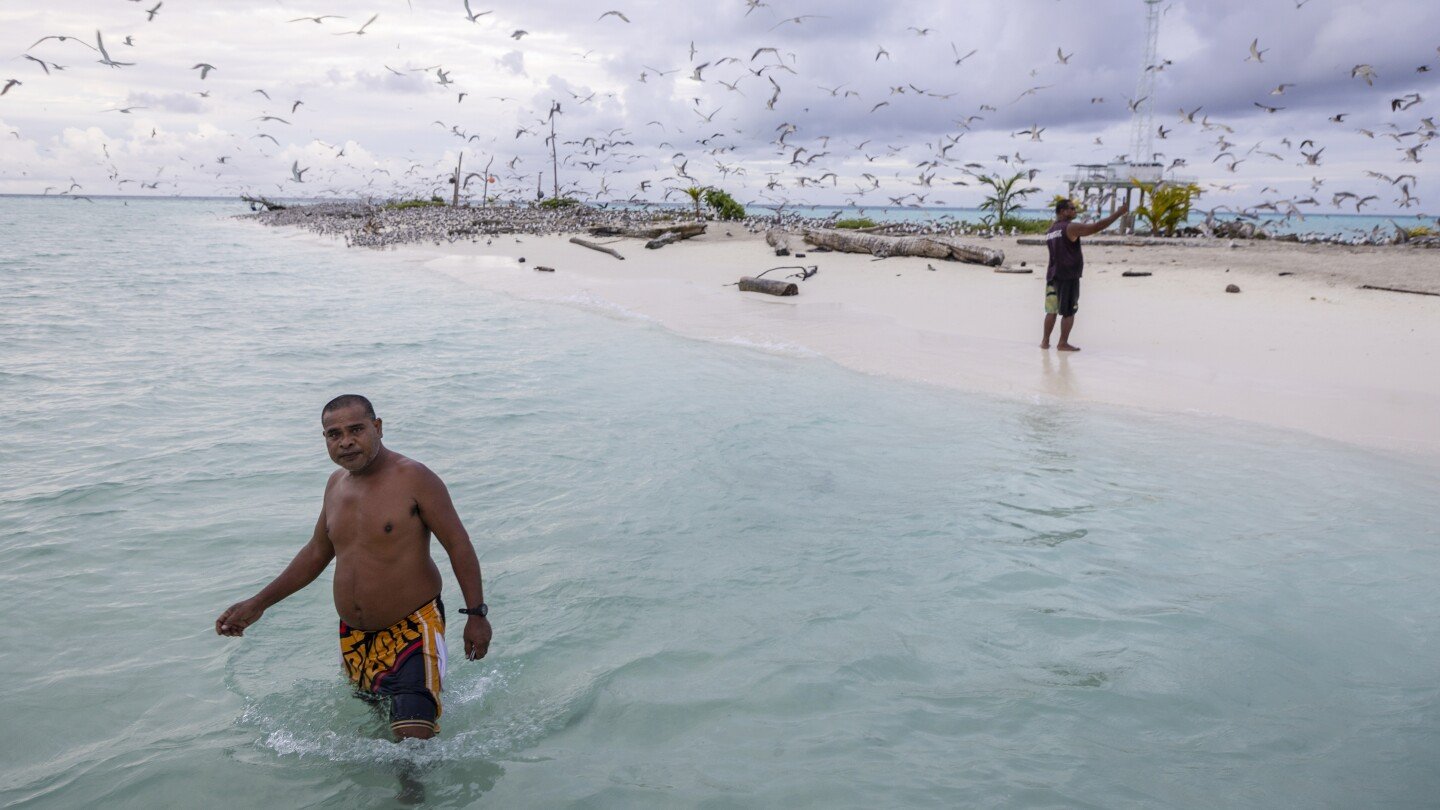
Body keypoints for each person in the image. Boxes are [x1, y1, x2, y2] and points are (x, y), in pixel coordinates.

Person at [216, 394, 491, 741]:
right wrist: (258, 603)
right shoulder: (335, 485)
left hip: (413, 630)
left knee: (412, 754)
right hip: (355, 639)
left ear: (377, 428)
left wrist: (476, 615)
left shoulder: (414, 478)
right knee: (378, 740)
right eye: (334, 434)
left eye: (356, 429)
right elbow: (317, 552)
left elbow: (459, 545)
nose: (345, 441)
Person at [1042, 197, 1130, 352]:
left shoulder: (1051, 230)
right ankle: (1062, 343)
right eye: (1072, 208)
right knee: (1069, 311)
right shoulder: (1070, 227)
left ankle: (1045, 341)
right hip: (1068, 276)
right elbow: (1096, 227)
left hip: (1052, 275)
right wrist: (1119, 213)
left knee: (1051, 310)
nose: (1075, 211)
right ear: (1063, 211)